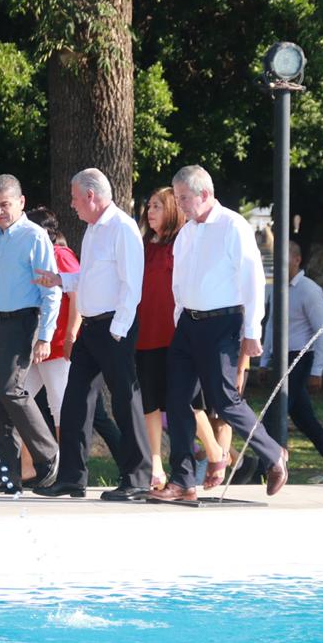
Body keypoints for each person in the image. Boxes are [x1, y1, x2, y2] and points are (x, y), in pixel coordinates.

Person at [155, 165, 288, 502]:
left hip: (223, 323)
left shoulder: (233, 225)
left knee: (224, 399)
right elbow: (180, 281)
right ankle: (182, 480)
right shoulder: (186, 233)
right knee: (176, 400)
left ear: (205, 194)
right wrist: (179, 318)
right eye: (177, 198)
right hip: (188, 324)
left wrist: (252, 330)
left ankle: (273, 454)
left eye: (184, 198)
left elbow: (252, 279)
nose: (180, 204)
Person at [33, 168, 152, 500]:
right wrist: (60, 280)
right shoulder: (92, 229)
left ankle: (138, 478)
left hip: (115, 327)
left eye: (75, 198)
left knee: (125, 401)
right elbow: (89, 278)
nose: (72, 204)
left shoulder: (122, 228)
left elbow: (132, 284)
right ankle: (72, 478)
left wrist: (118, 330)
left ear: (91, 195)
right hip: (91, 327)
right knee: (74, 402)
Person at [0, 174, 61, 494]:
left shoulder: (34, 236)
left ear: (21, 202)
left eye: (4, 205)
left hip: (23, 321)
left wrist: (45, 336)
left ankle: (49, 453)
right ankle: (6, 475)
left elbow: (51, 290)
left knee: (10, 390)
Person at [133, 186, 224, 490]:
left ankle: (215, 453)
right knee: (149, 402)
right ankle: (156, 467)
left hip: (176, 335)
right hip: (145, 334)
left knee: (185, 401)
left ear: (172, 209)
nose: (150, 211)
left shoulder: (183, 242)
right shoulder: (144, 246)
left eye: (157, 206)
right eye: (149, 206)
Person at [263, 241, 323, 482]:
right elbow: (271, 325)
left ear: (296, 260)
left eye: (284, 258)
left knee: (273, 416)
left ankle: (265, 469)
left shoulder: (309, 290)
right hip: (281, 359)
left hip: (300, 358)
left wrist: (317, 370)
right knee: (305, 420)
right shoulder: (277, 289)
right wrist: (264, 360)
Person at [20, 207, 78, 482]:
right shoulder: (32, 258)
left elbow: (77, 294)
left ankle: (67, 470)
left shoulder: (60, 254)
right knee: (19, 401)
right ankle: (27, 468)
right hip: (36, 347)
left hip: (56, 346)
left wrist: (71, 335)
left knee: (60, 408)